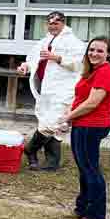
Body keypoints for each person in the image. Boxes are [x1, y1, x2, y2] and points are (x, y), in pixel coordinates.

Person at [59, 37, 110, 219]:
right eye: (91, 50)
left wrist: (68, 117)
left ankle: (95, 217)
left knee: (91, 170)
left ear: (108, 54)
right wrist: (70, 115)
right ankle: (82, 208)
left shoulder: (106, 72)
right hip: (82, 123)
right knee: (84, 169)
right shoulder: (91, 71)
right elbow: (80, 97)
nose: (94, 53)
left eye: (100, 51)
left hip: (91, 126)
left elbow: (93, 103)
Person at [16, 12, 84, 171]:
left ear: (63, 23)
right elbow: (33, 58)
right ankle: (51, 163)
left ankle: (30, 149)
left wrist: (57, 58)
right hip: (46, 89)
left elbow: (79, 64)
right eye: (50, 23)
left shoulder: (74, 42)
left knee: (56, 122)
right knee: (47, 121)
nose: (53, 26)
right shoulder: (45, 41)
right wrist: (25, 67)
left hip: (64, 89)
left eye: (56, 23)